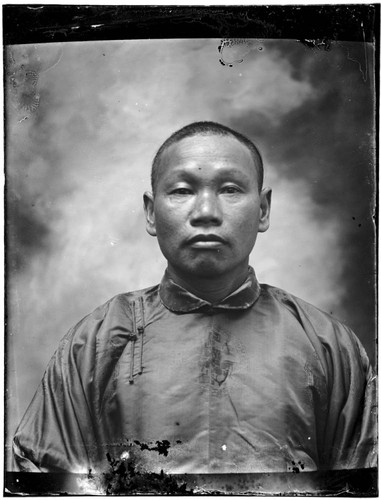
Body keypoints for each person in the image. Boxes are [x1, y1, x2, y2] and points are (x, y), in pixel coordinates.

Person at [13, 121, 376, 474]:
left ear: (263, 210)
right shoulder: (96, 342)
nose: (206, 213)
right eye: (183, 191)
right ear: (152, 213)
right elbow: (39, 481)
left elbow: (365, 484)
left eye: (230, 189)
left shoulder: (327, 344)